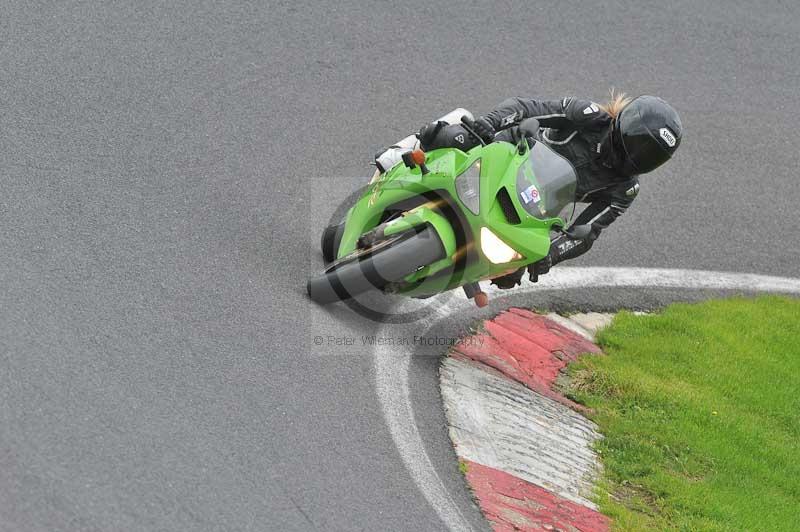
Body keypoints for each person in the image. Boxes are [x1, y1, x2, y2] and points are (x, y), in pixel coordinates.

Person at [415, 92, 683, 288]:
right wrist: (492, 122)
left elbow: (587, 232)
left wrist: (551, 255)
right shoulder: (589, 116)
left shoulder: (625, 188)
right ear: (626, 126)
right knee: (452, 137)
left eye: (650, 156)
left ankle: (434, 277)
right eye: (638, 144)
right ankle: (397, 158)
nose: (638, 156)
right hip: (504, 157)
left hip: (531, 209)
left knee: (508, 272)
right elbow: (527, 108)